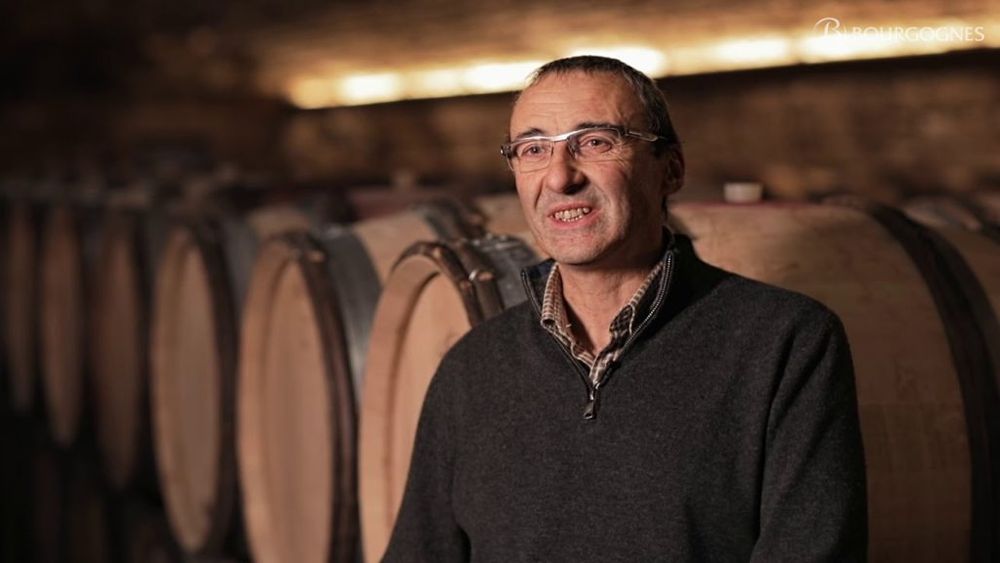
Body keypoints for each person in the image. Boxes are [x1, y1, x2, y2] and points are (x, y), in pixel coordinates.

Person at [382, 55, 867, 562]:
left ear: (670, 169)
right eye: (533, 149)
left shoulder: (785, 341)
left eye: (595, 142)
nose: (559, 177)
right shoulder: (472, 367)